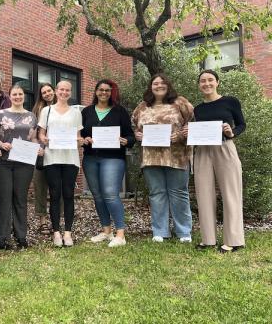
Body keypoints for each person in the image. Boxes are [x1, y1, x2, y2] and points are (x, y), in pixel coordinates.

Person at [183, 69, 246, 253]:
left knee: (231, 192)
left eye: (210, 80)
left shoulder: (230, 101)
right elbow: (197, 131)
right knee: (203, 193)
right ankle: (208, 239)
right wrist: (189, 133)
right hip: (202, 151)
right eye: (203, 81)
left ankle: (233, 240)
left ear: (217, 82)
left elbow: (242, 124)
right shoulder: (198, 109)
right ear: (199, 85)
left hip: (225, 148)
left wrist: (231, 131)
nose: (207, 83)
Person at [132, 73, 194, 243]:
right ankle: (160, 231)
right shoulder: (142, 106)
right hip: (151, 157)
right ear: (150, 87)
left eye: (162, 83)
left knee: (179, 193)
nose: (158, 86)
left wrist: (181, 135)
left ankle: (184, 232)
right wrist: (136, 134)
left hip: (177, 156)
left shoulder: (180, 103)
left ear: (168, 85)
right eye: (155, 83)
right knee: (156, 193)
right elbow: (134, 126)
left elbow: (193, 123)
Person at [81, 79, 135, 247]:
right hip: (91, 158)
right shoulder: (87, 112)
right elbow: (80, 134)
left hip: (113, 158)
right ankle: (106, 231)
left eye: (107, 90)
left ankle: (120, 234)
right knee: (97, 196)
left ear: (111, 93)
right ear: (96, 91)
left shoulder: (120, 111)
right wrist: (85, 139)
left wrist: (126, 140)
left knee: (111, 194)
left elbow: (130, 135)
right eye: (101, 90)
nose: (104, 93)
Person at [0, 85, 42, 250]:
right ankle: (1, 237)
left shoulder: (31, 116)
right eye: (15, 94)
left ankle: (21, 236)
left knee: (20, 199)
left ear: (24, 96)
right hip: (3, 163)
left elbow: (33, 138)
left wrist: (39, 147)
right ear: (10, 96)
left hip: (25, 163)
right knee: (3, 199)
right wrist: (1, 143)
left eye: (20, 94)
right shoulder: (0, 115)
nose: (18, 96)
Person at [38, 80, 83, 247]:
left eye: (67, 90)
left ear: (70, 93)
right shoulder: (46, 110)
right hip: (52, 158)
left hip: (70, 159)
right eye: (61, 89)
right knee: (55, 195)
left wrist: (80, 141)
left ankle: (68, 233)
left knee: (69, 194)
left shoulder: (76, 112)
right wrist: (45, 139)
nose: (64, 92)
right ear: (56, 91)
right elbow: (41, 134)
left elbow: (78, 137)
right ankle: (56, 232)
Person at [31, 83, 59, 234]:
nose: (47, 94)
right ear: (41, 96)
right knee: (40, 188)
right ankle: (42, 222)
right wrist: (38, 148)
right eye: (44, 92)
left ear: (54, 91)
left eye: (49, 91)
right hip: (41, 155)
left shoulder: (64, 109)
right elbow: (32, 134)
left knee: (58, 188)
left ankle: (58, 221)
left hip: (59, 154)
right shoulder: (37, 111)